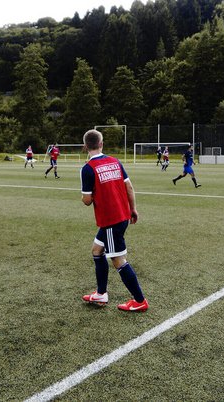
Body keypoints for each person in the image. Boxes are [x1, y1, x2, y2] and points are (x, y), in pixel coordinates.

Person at [80, 129, 148, 312]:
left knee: (118, 260)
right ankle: (101, 293)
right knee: (97, 250)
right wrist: (132, 209)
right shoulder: (115, 161)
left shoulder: (87, 168)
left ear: (85, 146)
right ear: (102, 144)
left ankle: (139, 300)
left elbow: (87, 200)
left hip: (111, 220)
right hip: (122, 215)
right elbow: (129, 187)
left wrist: (91, 194)